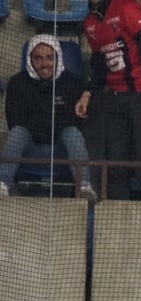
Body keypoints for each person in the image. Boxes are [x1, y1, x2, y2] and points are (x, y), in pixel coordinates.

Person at [83, 0, 141, 200]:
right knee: (115, 167)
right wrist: (88, 93)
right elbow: (99, 66)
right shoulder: (89, 23)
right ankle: (116, 217)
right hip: (114, 99)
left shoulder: (127, 8)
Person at [1, 37, 94, 201]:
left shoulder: (74, 83)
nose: (44, 64)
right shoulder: (17, 83)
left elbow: (77, 122)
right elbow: (15, 120)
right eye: (38, 58)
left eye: (50, 58)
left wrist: (43, 121)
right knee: (17, 133)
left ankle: (84, 186)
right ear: (30, 60)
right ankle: (3, 184)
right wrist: (51, 123)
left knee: (73, 133)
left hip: (62, 149)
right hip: (30, 148)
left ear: (58, 58)